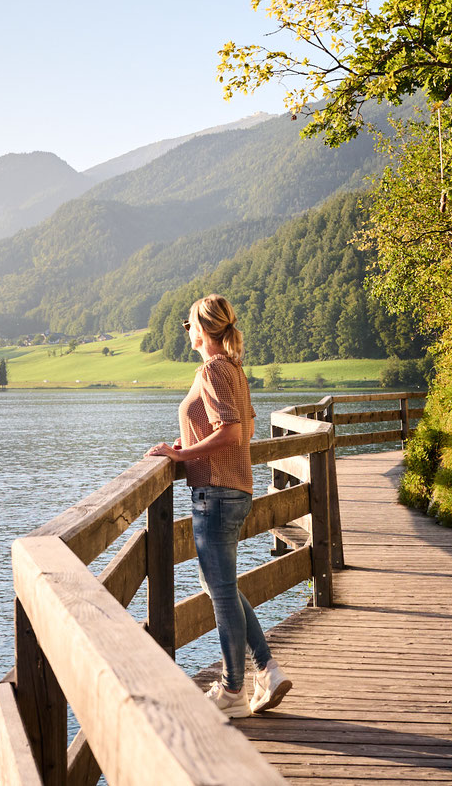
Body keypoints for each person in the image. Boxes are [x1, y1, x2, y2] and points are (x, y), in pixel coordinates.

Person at [147, 294, 293, 718]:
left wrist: (180, 457)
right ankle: (268, 671)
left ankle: (232, 691)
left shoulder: (214, 369)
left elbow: (230, 432)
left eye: (187, 323)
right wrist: (188, 444)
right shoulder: (231, 368)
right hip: (235, 491)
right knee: (221, 588)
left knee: (221, 591)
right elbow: (238, 427)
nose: (186, 330)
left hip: (215, 492)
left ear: (203, 328)